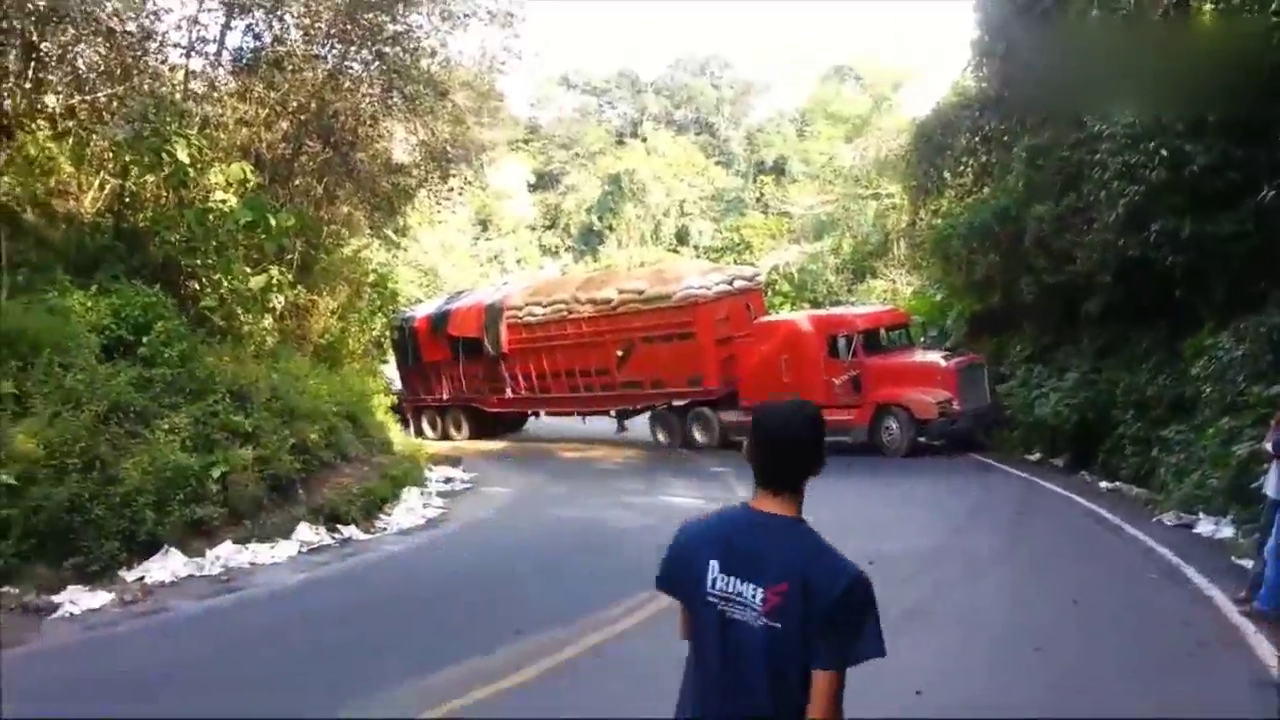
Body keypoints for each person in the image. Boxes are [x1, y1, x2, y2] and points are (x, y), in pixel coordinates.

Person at [655, 398, 887, 719]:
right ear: (818, 464)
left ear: (748, 452)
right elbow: (823, 712)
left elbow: (692, 629)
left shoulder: (693, 539)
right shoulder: (838, 581)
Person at [1237, 412, 1280, 608]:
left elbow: (1272, 449)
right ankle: (1256, 591)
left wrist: (1273, 430)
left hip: (1277, 495)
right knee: (1266, 545)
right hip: (1274, 492)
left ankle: (1264, 600)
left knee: (1271, 547)